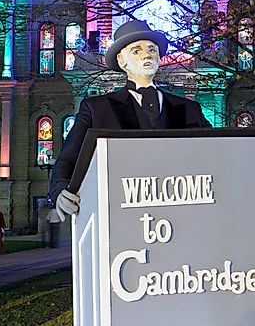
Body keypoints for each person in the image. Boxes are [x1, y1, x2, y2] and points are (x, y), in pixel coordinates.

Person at [49, 20, 210, 219]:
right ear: (121, 60)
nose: (147, 54)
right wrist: (60, 189)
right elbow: (69, 156)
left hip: (179, 213)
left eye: (152, 49)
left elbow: (213, 152)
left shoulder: (189, 108)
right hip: (121, 213)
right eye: (137, 50)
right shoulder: (97, 109)